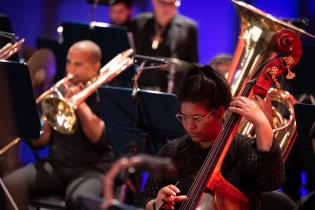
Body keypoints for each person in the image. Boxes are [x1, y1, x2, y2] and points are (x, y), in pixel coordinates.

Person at [141, 65, 285, 209]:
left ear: (220, 112)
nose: (190, 126)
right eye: (184, 117)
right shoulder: (172, 151)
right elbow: (144, 198)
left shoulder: (242, 151)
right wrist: (155, 204)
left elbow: (271, 181)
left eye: (197, 118)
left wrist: (262, 124)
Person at [3, 40, 115, 210]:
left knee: (80, 201)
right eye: (68, 62)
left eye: (78, 64)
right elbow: (40, 142)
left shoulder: (107, 97)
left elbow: (99, 139)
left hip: (90, 170)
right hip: (56, 167)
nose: (70, 69)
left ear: (95, 67)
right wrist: (50, 113)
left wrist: (79, 102)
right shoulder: (60, 91)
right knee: (7, 186)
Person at [129, 0, 198, 92]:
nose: (167, 7)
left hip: (173, 91)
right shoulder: (138, 23)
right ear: (154, 2)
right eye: (163, 3)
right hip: (140, 87)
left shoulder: (189, 27)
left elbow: (193, 64)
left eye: (172, 3)